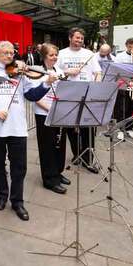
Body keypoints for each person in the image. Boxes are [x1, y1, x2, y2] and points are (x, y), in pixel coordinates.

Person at [0, 41, 55, 220]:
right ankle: (2, 195)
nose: (9, 56)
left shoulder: (20, 73)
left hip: (18, 127)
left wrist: (46, 84)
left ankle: (17, 201)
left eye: (11, 53)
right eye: (5, 53)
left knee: (19, 167)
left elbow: (31, 95)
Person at [55, 27, 102, 173]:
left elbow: (97, 72)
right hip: (68, 94)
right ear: (70, 38)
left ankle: (88, 158)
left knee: (87, 127)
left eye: (81, 38)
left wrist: (97, 84)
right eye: (77, 38)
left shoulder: (89, 54)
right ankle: (77, 153)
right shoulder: (61, 53)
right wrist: (68, 72)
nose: (79, 41)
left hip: (87, 93)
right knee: (71, 127)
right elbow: (55, 72)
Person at [32, 43, 70, 194]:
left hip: (58, 113)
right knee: (47, 147)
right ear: (44, 56)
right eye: (51, 55)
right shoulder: (36, 71)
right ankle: (49, 179)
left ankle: (57, 172)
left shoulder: (58, 70)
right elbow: (35, 96)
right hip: (44, 113)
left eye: (56, 55)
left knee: (60, 145)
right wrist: (50, 109)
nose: (54, 57)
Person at [113, 38, 133, 140]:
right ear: (126, 46)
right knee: (122, 108)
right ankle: (120, 129)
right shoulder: (120, 56)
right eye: (130, 46)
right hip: (124, 84)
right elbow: (117, 69)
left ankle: (129, 128)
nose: (132, 48)